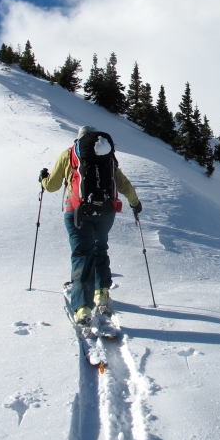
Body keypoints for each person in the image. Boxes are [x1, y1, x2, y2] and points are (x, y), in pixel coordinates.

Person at [39, 126, 142, 324]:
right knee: (100, 248)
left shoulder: (69, 154)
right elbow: (124, 184)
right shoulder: (106, 157)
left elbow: (52, 186)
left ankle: (83, 307)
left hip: (77, 211)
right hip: (105, 213)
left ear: (78, 139)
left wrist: (43, 179)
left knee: (81, 255)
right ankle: (102, 293)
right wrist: (135, 203)